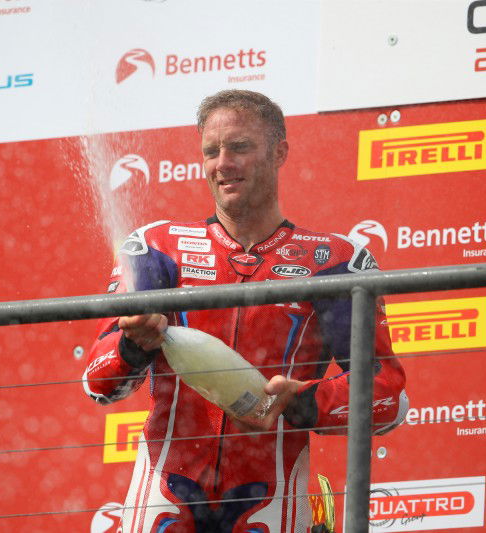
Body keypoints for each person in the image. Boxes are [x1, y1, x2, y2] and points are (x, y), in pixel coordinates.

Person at [82, 89, 408, 533]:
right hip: (164, 490)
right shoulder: (156, 248)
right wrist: (133, 346)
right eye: (211, 151)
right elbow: (98, 383)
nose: (223, 164)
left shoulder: (334, 261)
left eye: (239, 147)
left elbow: (389, 397)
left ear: (280, 152)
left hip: (272, 497)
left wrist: (306, 400)